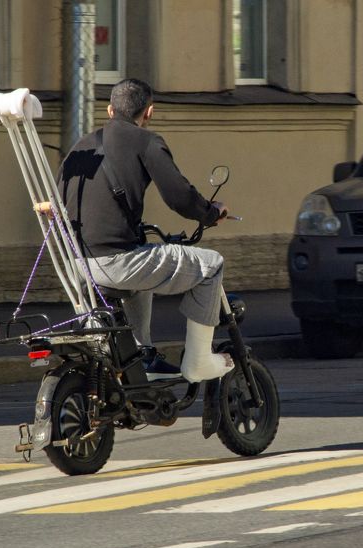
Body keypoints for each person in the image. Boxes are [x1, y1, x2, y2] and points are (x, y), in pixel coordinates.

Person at [54, 78, 234, 383]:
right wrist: (210, 213)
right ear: (148, 112)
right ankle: (200, 362)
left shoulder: (81, 145)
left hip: (74, 263)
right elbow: (179, 196)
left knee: (144, 260)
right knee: (211, 265)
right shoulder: (147, 141)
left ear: (110, 110)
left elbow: (61, 197)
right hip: (113, 263)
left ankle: (143, 356)